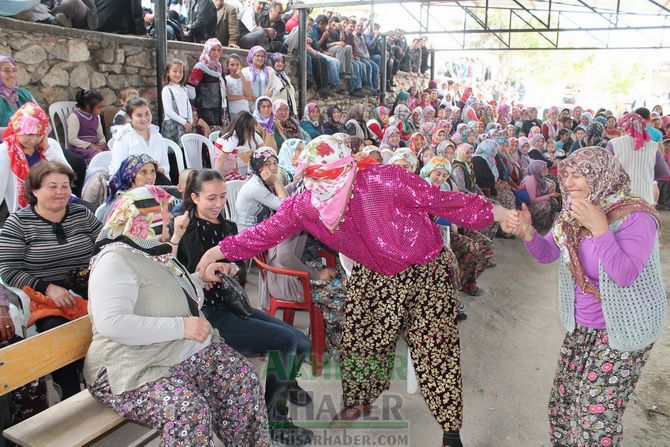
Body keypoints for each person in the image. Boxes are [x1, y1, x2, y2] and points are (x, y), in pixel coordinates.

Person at [196, 134, 514, 447]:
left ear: (348, 167)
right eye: (312, 177)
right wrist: (217, 252)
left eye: (330, 175)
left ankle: (450, 431)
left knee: (435, 351)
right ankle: (360, 400)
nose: (321, 185)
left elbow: (443, 201)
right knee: (360, 343)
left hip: (424, 271)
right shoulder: (307, 204)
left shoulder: (385, 182)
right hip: (372, 275)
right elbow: (267, 232)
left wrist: (497, 213)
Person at [85, 185, 273, 446]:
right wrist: (181, 327)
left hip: (173, 352)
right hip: (130, 367)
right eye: (162, 211)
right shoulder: (114, 260)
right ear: (143, 217)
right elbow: (112, 324)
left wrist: (200, 278)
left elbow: (165, 296)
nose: (170, 217)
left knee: (241, 376)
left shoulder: (151, 251)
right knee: (187, 410)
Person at [507, 146, 666, 447]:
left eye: (578, 175)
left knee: (595, 416)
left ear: (600, 175)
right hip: (583, 325)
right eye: (566, 175)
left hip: (625, 327)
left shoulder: (635, 216)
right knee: (563, 404)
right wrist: (528, 232)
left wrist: (600, 229)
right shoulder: (571, 215)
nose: (568, 183)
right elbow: (549, 253)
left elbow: (624, 275)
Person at [172, 170, 313, 445]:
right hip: (208, 315)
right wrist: (204, 274)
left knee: (302, 343)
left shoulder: (227, 227)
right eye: (210, 198)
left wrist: (229, 268)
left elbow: (239, 277)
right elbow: (177, 278)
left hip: (234, 305)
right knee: (286, 342)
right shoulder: (184, 230)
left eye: (222, 196)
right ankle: (275, 421)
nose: (217, 203)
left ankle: (284, 384)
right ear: (194, 197)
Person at [0, 161, 102, 399]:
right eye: (52, 186)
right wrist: (48, 288)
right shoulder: (19, 223)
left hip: (92, 286)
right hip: (46, 296)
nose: (60, 192)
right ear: (34, 190)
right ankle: (68, 394)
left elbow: (107, 243)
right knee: (59, 333)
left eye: (65, 186)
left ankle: (105, 382)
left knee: (117, 318)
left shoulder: (82, 214)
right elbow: (8, 270)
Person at [0, 56, 86, 196]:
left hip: (35, 142)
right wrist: (20, 133)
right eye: (6, 70)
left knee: (76, 162)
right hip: (7, 144)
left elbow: (44, 121)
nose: (12, 74)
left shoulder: (23, 94)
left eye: (14, 70)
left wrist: (37, 133)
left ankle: (68, 199)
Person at [0, 103, 73, 214]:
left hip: (58, 200)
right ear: (17, 129)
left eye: (39, 135)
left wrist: (47, 150)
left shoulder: (50, 145)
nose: (34, 140)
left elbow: (67, 174)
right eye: (29, 134)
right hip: (27, 208)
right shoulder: (6, 151)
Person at [109, 98, 171, 183]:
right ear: (129, 118)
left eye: (147, 114)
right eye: (139, 115)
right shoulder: (123, 138)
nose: (145, 119)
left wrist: (156, 170)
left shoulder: (157, 136)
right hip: (132, 187)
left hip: (156, 183)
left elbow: (166, 166)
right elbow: (117, 171)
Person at [234, 147, 287, 231]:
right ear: (258, 165)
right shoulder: (256, 187)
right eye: (267, 164)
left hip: (261, 227)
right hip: (247, 232)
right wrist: (276, 181)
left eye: (275, 163)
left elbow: (287, 201)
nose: (273, 168)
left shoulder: (263, 179)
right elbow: (285, 207)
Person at [186, 38, 228, 131]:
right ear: (207, 50)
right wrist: (193, 110)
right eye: (213, 49)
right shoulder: (200, 67)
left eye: (218, 50)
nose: (216, 53)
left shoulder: (219, 67)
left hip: (220, 108)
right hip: (205, 110)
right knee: (205, 139)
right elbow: (190, 88)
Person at [214, 112, 264, 180]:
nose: (251, 134)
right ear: (241, 128)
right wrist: (218, 179)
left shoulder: (236, 135)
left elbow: (263, 148)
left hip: (233, 171)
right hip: (226, 174)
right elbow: (220, 159)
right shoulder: (232, 139)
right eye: (249, 130)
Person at [65, 89, 108, 166]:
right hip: (81, 148)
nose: (101, 110)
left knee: (109, 153)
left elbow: (100, 135)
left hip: (95, 145)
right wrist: (90, 145)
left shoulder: (96, 117)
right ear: (88, 107)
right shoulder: (75, 116)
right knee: (98, 156)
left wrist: (102, 142)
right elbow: (72, 139)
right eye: (98, 108)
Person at [519, 160, 560, 233]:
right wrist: (549, 196)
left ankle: (545, 226)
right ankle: (533, 227)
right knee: (545, 205)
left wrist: (550, 194)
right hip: (525, 206)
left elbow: (541, 194)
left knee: (554, 202)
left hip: (534, 204)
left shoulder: (540, 179)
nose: (546, 170)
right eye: (544, 168)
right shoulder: (531, 180)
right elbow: (532, 200)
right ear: (537, 169)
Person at [161, 60, 194, 145]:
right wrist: (184, 122)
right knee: (173, 151)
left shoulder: (183, 89)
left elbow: (188, 106)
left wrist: (190, 122)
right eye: (175, 71)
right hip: (172, 124)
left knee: (185, 150)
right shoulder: (167, 89)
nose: (178, 74)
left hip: (185, 125)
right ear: (168, 72)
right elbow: (168, 111)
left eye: (180, 72)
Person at [268, 53, 297, 117]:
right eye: (277, 61)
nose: (280, 64)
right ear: (272, 62)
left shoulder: (284, 76)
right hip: (277, 113)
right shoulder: (269, 75)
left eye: (282, 62)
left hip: (289, 111)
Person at [224, 54, 252, 119]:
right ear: (227, 66)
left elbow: (248, 95)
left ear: (241, 66)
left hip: (245, 110)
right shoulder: (226, 79)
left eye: (237, 65)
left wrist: (242, 76)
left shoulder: (246, 78)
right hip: (233, 111)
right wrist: (242, 96)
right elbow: (229, 97)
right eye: (232, 65)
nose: (235, 67)